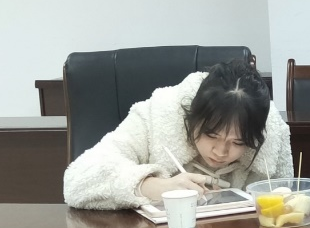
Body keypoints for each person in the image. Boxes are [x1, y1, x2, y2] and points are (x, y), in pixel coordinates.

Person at [64, 59, 293, 210]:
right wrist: (152, 186)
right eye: (211, 135)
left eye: (238, 142)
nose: (221, 152)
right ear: (192, 117)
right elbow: (77, 180)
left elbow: (286, 205)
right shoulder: (157, 115)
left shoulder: (271, 132)